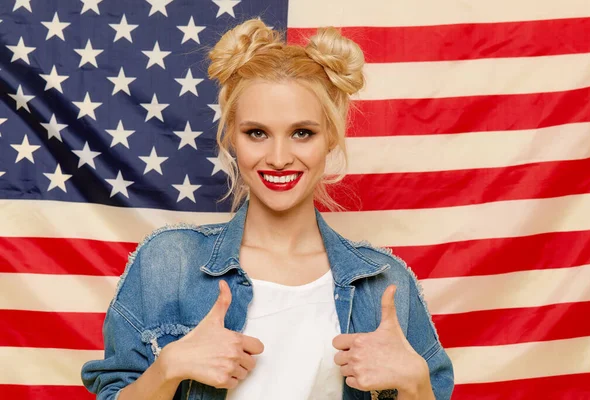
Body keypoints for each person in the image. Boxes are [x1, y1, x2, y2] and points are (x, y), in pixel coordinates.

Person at [81, 18, 454, 400]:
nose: (278, 158)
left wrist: (417, 386)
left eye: (302, 133)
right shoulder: (167, 263)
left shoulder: (384, 283)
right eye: (257, 133)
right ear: (231, 138)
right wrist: (168, 369)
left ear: (330, 139)